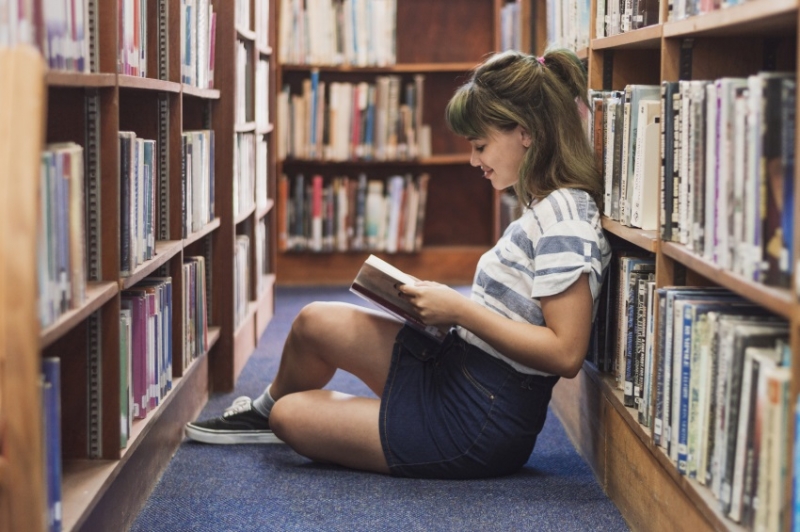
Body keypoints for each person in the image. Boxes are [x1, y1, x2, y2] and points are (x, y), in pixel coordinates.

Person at [185, 48, 611, 480]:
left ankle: (275, 415)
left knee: (292, 418)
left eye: (480, 145)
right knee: (314, 322)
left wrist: (459, 309)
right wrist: (435, 307)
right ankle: (262, 412)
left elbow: (566, 351)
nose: (473, 161)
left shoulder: (565, 220)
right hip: (456, 368)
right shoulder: (545, 205)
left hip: (476, 423)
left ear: (525, 132)